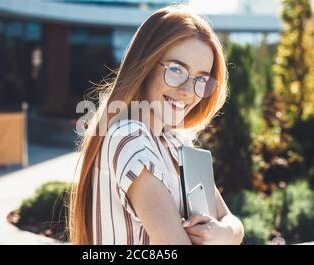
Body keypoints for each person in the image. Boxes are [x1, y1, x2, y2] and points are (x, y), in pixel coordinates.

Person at [70, 3, 244, 245]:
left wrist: (224, 233)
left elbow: (232, 221)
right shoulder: (130, 139)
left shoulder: (176, 141)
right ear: (146, 64)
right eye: (176, 69)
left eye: (201, 79)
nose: (187, 91)